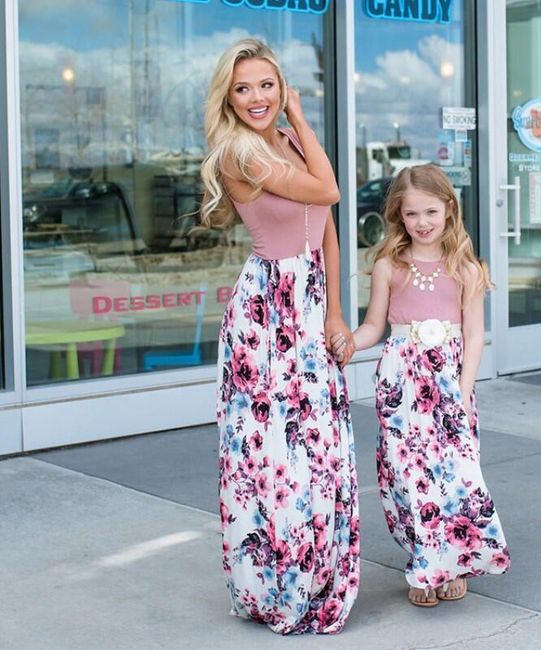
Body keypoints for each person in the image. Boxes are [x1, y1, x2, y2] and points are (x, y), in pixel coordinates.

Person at [200, 39, 359, 634]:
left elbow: (328, 230)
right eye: (243, 88)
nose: (256, 97)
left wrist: (338, 312)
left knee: (318, 447)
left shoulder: (284, 143)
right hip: (267, 316)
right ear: (229, 98)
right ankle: (276, 584)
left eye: (266, 85)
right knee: (273, 452)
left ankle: (319, 573)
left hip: (310, 305)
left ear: (281, 84)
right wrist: (298, 116)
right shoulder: (240, 153)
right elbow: (330, 190)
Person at [347, 164, 510, 607]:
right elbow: (373, 326)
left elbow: (474, 334)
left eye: (431, 212)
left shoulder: (467, 268)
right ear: (399, 216)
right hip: (401, 384)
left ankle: (453, 562)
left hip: (450, 382)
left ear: (449, 209)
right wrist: (346, 343)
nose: (422, 223)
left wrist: (461, 389)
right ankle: (425, 562)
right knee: (409, 478)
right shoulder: (389, 265)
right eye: (411, 214)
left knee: (455, 476)